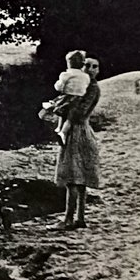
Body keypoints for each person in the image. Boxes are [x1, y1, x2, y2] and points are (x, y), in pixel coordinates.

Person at [55, 57, 101, 230]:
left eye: (94, 67)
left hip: (78, 131)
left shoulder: (91, 88)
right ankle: (80, 217)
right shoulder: (83, 85)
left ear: (98, 70)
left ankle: (68, 219)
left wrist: (60, 109)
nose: (89, 69)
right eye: (86, 65)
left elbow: (79, 113)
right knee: (78, 178)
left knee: (73, 177)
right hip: (80, 131)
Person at [40, 49, 91, 144]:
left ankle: (62, 132)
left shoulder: (66, 75)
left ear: (69, 63)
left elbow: (59, 87)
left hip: (67, 97)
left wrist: (58, 85)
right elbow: (86, 85)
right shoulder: (85, 76)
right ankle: (60, 129)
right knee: (70, 115)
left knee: (64, 114)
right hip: (79, 99)